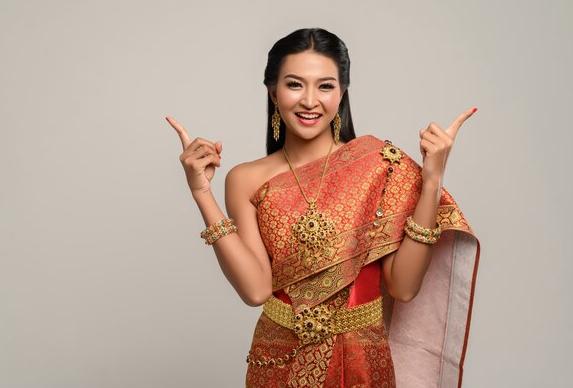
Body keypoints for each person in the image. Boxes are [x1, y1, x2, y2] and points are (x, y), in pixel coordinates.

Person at [166, 28, 480, 388]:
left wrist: (432, 179)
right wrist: (200, 191)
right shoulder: (244, 178)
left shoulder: (381, 165)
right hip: (279, 357)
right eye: (295, 85)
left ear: (342, 93)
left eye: (326, 86)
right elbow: (255, 291)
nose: (310, 101)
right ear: (273, 91)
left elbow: (404, 287)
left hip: (363, 359)